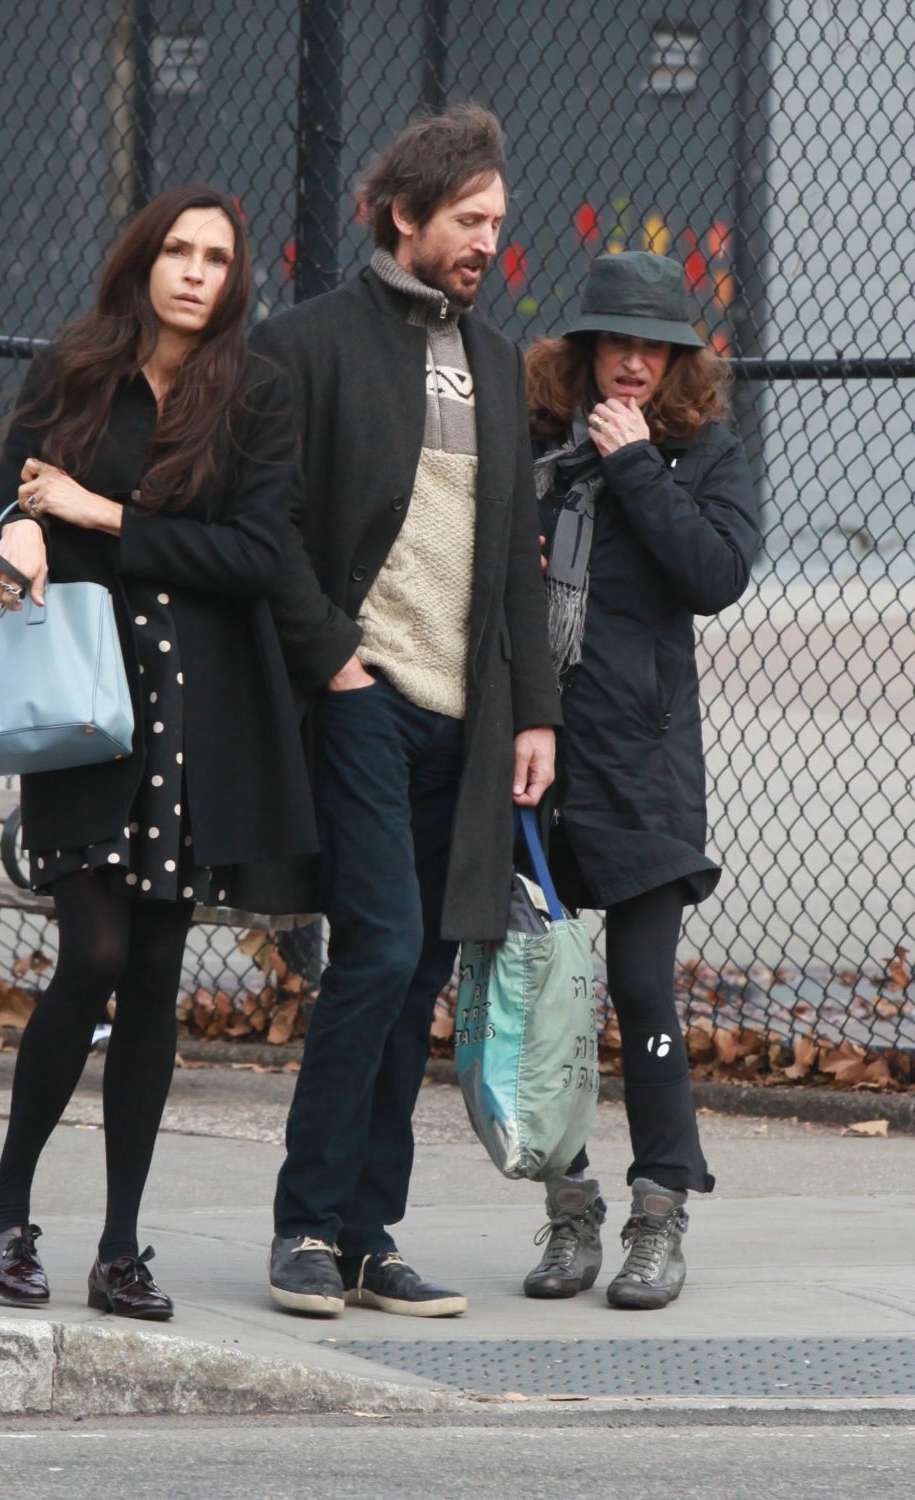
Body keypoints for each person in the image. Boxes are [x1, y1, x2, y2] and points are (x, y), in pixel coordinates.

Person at [0, 185, 315, 1321]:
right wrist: (18, 529)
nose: (196, 272)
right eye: (178, 249)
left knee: (157, 976)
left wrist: (96, 515)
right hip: (84, 703)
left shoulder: (253, 394)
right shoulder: (71, 368)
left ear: (235, 279)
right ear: (143, 259)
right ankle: (4, 1210)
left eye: (217, 257)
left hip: (195, 713)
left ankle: (120, 1245)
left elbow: (255, 554)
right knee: (96, 953)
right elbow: (11, 508)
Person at [250, 105, 561, 1318]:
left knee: (421, 967)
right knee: (374, 953)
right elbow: (268, 525)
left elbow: (513, 563)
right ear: (403, 217)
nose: (488, 242)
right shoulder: (305, 345)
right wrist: (334, 658)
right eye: (469, 221)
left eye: (497, 223)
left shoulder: (493, 359)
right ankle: (305, 1227)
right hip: (363, 698)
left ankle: (369, 1234)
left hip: (468, 720)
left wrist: (533, 713)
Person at [521, 250, 761, 1309]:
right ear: (583, 351)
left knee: (639, 985)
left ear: (675, 360)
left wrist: (635, 471)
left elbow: (714, 577)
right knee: (541, 1002)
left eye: (651, 348)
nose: (631, 364)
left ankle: (658, 1212)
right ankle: (567, 1212)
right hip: (534, 753)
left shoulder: (701, 454)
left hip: (642, 763)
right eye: (613, 343)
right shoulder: (532, 449)